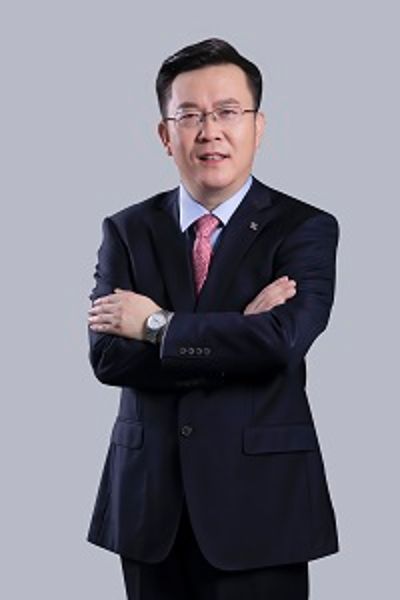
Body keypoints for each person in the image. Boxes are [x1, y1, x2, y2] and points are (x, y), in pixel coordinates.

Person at [87, 38, 339, 600]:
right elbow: (108, 358)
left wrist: (156, 327)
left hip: (261, 508)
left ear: (258, 126)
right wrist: (238, 333)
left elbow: (281, 342)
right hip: (150, 508)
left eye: (227, 112)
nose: (210, 131)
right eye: (190, 116)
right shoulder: (127, 230)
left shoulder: (304, 228)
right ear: (165, 134)